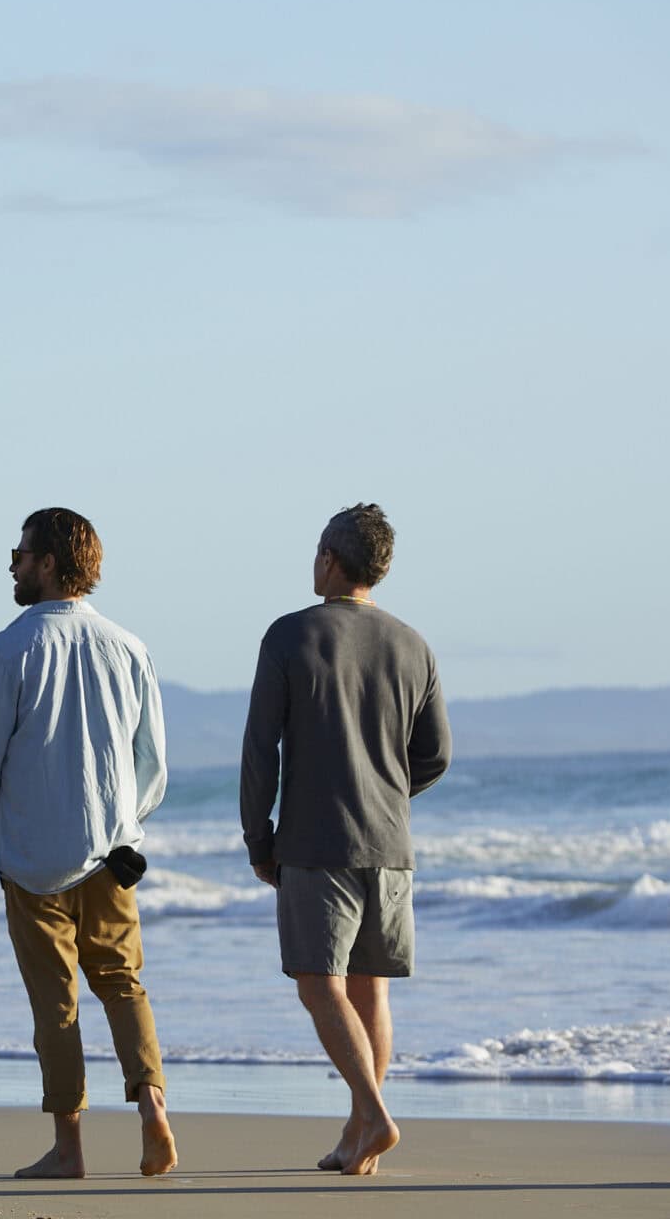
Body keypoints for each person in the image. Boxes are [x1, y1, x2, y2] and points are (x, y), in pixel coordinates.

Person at [0, 506, 179, 1180]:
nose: (12, 563)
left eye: (20, 553)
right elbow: (153, 763)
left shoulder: (6, 650)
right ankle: (152, 1107)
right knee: (124, 984)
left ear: (48, 563)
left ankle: (70, 1148)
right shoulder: (129, 647)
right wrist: (123, 820)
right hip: (110, 853)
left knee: (56, 1003)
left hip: (31, 856)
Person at [240, 503, 451, 1176]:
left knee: (317, 984)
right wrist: (386, 794)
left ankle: (376, 1114)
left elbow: (259, 750)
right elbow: (436, 755)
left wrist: (258, 836)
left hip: (317, 841)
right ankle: (361, 1136)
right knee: (371, 991)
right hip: (389, 845)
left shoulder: (290, 636)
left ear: (330, 559)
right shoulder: (412, 643)